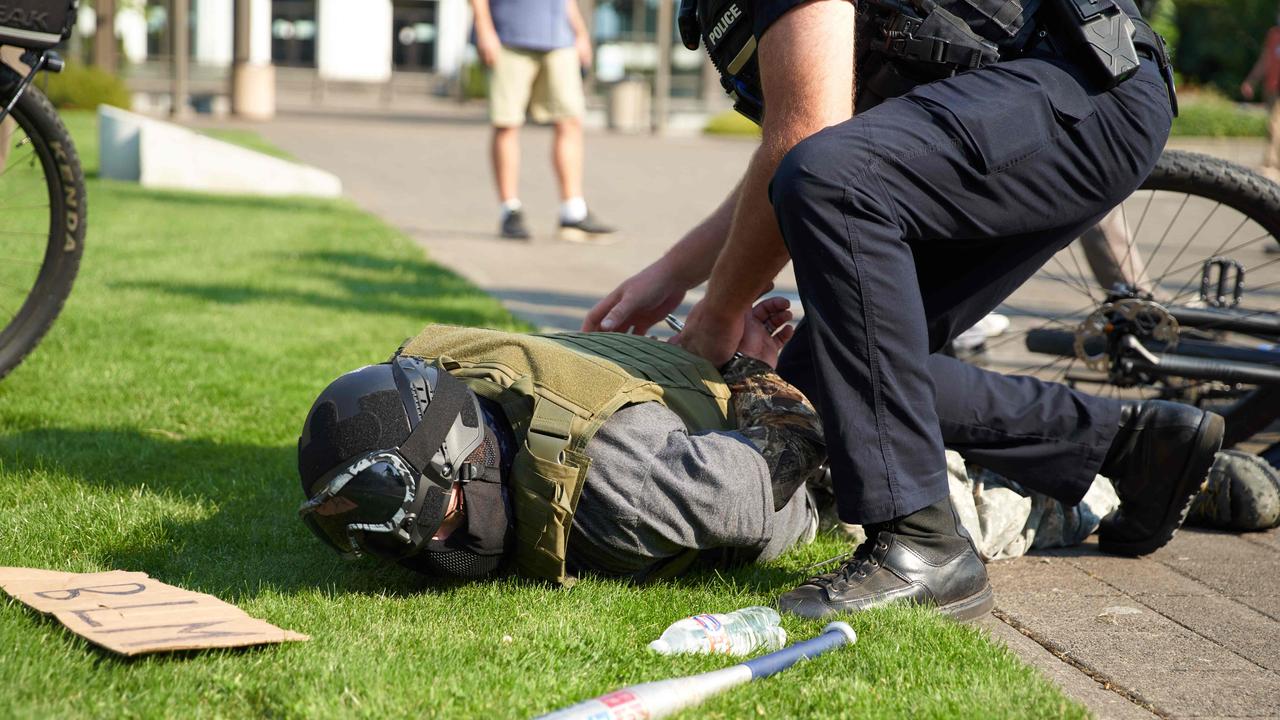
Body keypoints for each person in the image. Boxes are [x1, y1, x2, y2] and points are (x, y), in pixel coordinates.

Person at [584, 0, 1223, 621]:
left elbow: (809, 145)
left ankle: (921, 542)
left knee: (833, 180)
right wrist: (672, 275)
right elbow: (789, 157)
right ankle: (1135, 447)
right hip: (1056, 93)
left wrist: (717, 314)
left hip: (1087, 83)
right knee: (819, 372)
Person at [296, 299, 824, 583]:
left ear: (461, 453)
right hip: (665, 388)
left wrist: (748, 368)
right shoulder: (439, 380)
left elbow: (795, 445)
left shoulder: (626, 492)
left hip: (799, 482)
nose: (428, 548)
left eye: (438, 518)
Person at [470, 0, 616, 242]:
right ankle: (510, 210)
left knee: (570, 120)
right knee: (506, 123)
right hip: (508, 34)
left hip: (559, 36)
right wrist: (484, 28)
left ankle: (573, 211)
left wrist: (579, 32)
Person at [1243, 11, 1280, 182]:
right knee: (1273, 125)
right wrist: (1251, 81)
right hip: (1272, 87)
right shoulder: (1273, 34)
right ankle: (1271, 164)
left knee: (1275, 124)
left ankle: (1271, 164)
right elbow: (1265, 60)